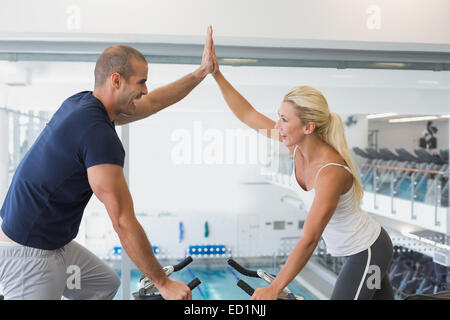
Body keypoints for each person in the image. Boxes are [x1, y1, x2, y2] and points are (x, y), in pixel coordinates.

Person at [0, 26, 217, 300]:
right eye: (141, 82)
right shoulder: (98, 135)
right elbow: (123, 221)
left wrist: (201, 72)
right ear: (116, 81)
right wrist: (163, 283)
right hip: (27, 253)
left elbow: (155, 102)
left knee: (102, 285)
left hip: (55, 243)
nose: (145, 90)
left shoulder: (84, 104)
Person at [209, 30, 394, 300]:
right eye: (278, 117)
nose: (277, 126)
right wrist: (217, 74)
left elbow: (309, 239)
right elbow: (248, 114)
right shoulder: (295, 144)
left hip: (367, 251)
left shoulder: (330, 173)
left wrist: (274, 288)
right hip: (355, 251)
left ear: (308, 126)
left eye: (284, 120)